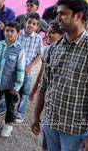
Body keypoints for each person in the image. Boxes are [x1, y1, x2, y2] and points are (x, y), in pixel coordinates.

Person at [31, 0, 88, 151]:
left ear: (79, 15)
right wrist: (36, 116)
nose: (57, 17)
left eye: (63, 13)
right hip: (51, 122)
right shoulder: (53, 48)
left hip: (76, 130)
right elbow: (44, 85)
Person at [28, 20, 64, 151]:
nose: (48, 35)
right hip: (49, 101)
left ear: (62, 35)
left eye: (52, 33)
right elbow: (42, 74)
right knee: (47, 141)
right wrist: (34, 89)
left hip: (62, 106)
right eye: (47, 32)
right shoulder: (48, 50)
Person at [0, 21, 25, 137]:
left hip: (10, 85)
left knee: (10, 107)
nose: (9, 33)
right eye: (7, 30)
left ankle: (8, 126)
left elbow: (20, 69)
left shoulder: (19, 49)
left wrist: (17, 86)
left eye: (12, 31)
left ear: (17, 34)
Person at [15, 12, 43, 123]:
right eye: (29, 22)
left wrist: (30, 67)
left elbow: (39, 54)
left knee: (25, 92)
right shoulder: (18, 34)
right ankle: (9, 108)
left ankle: (20, 113)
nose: (30, 25)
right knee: (12, 89)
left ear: (37, 27)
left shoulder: (38, 39)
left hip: (27, 71)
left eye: (34, 24)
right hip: (15, 69)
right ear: (25, 23)